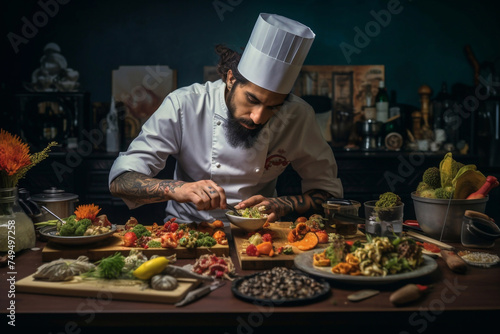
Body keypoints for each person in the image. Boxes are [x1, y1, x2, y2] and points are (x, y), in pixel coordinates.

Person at [109, 13, 343, 224]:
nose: (258, 117)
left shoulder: (298, 115)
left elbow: (328, 193)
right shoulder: (184, 105)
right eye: (252, 99)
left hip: (261, 236)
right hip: (187, 230)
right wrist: (177, 188)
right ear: (231, 79)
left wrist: (283, 204)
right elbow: (121, 180)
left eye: (274, 107)